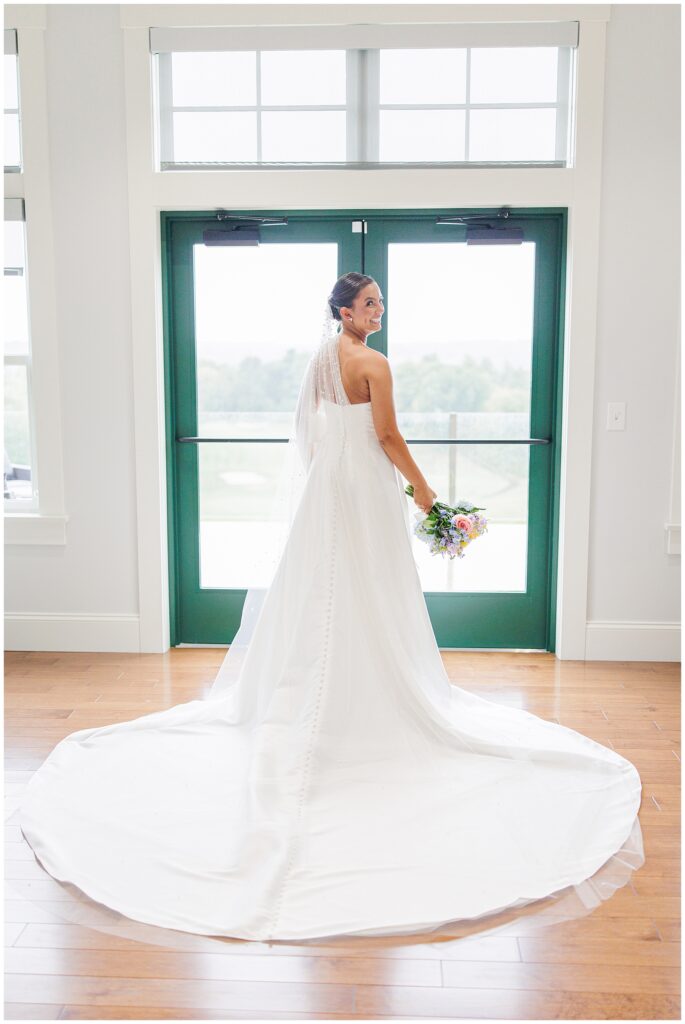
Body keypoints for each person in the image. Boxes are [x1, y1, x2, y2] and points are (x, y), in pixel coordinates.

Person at [18, 272, 644, 943]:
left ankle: (319, 688)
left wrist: (331, 474)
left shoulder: (321, 361)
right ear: (344, 310)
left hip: (328, 486)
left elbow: (310, 433)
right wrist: (432, 498)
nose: (378, 311)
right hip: (366, 484)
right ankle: (362, 694)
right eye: (368, 303)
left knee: (323, 586)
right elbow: (389, 438)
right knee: (370, 583)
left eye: (379, 302)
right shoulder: (372, 362)